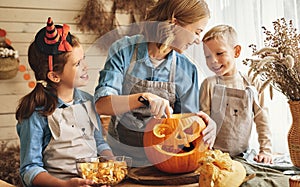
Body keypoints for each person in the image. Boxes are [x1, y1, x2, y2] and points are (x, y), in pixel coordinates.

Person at [94, 0, 216, 166]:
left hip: (165, 162)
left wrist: (206, 126)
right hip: (119, 159)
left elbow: (186, 126)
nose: (197, 40)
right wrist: (144, 98)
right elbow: (102, 105)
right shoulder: (124, 50)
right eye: (197, 31)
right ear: (175, 24)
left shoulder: (188, 70)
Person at [16, 17, 113, 187]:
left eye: (83, 59)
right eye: (77, 64)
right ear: (54, 75)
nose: (86, 66)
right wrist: (65, 185)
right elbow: (30, 169)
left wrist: (112, 160)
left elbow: (98, 142)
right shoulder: (36, 112)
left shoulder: (89, 101)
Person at [200, 24, 272, 163]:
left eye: (219, 53)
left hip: (243, 155)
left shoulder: (252, 83)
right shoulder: (208, 84)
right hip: (213, 155)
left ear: (236, 51)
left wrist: (265, 151)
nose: (213, 60)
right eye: (208, 56)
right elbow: (203, 124)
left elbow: (262, 118)